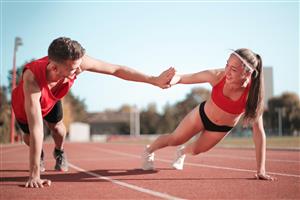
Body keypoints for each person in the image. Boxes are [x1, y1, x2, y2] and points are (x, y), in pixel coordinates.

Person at [12, 37, 176, 188]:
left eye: (78, 66)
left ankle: (59, 152)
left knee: (58, 129)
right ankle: (39, 155)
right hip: (25, 105)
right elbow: (37, 128)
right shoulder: (32, 79)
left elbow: (116, 69)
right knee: (31, 138)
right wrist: (34, 175)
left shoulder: (77, 63)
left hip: (52, 99)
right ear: (54, 67)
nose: (78, 71)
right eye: (73, 69)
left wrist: (153, 80)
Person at [141, 48, 276, 181]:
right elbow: (183, 77)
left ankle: (181, 152)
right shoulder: (217, 75)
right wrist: (171, 80)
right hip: (202, 115)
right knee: (175, 139)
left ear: (248, 74)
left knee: (196, 150)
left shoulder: (252, 95)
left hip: (221, 129)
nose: (227, 71)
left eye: (234, 70)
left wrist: (261, 170)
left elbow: (258, 131)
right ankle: (149, 150)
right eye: (227, 65)